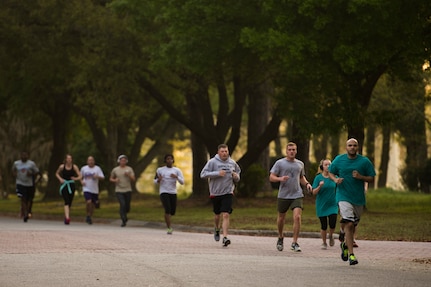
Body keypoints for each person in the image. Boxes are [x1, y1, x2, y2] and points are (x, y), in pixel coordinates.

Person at [329, 138, 376, 266]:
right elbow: (330, 172)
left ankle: (344, 244)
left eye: (355, 145)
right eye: (350, 145)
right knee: (349, 223)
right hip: (343, 195)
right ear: (346, 147)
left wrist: (361, 177)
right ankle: (351, 255)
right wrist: (335, 180)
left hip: (358, 198)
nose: (352, 147)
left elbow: (372, 178)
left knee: (353, 225)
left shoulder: (364, 161)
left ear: (358, 147)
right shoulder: (339, 159)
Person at [269, 142, 313, 252]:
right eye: (290, 149)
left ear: (296, 151)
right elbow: (271, 177)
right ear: (286, 151)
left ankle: (295, 242)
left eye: (294, 149)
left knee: (297, 217)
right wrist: (280, 179)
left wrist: (307, 184)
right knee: (281, 218)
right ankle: (280, 237)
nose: (292, 151)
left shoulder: (300, 164)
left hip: (297, 194)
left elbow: (301, 177)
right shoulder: (280, 163)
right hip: (283, 194)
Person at [200, 144, 241, 247]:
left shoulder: (232, 163)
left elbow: (238, 174)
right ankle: (217, 229)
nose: (224, 153)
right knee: (217, 215)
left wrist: (236, 176)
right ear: (218, 152)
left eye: (226, 151)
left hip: (228, 192)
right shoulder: (212, 162)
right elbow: (203, 174)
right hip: (215, 192)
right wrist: (217, 173)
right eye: (222, 151)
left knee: (226, 214)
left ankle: (225, 237)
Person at [154, 154, 184, 234]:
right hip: (164, 191)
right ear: (165, 160)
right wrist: (158, 180)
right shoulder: (160, 170)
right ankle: (169, 228)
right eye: (167, 159)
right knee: (167, 209)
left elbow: (182, 182)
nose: (169, 160)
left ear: (173, 160)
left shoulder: (177, 170)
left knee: (172, 211)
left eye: (171, 159)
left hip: (173, 192)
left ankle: (168, 219)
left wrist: (176, 177)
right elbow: (155, 181)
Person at [312, 159, 338, 249]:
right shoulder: (318, 178)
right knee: (323, 225)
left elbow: (339, 186)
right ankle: (324, 242)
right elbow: (313, 192)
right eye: (326, 164)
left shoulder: (334, 177)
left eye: (329, 165)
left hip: (333, 203)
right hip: (322, 204)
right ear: (322, 166)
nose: (327, 166)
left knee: (333, 222)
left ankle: (330, 235)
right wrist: (319, 186)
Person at [12, 151, 41, 222]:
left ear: (28, 156)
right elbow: (13, 170)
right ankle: (25, 214)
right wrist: (15, 175)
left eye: (25, 155)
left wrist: (31, 174)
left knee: (29, 199)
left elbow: (37, 172)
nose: (24, 157)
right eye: (22, 155)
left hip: (29, 184)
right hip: (20, 183)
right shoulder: (16, 163)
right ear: (20, 156)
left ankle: (28, 211)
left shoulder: (31, 164)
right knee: (23, 198)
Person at [110, 155, 135, 227]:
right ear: (119, 161)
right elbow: (111, 178)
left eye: (124, 160)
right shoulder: (115, 170)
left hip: (128, 189)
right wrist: (115, 180)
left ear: (126, 161)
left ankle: (125, 214)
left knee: (127, 206)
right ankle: (123, 219)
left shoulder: (129, 169)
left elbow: (133, 179)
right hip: (119, 190)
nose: (123, 162)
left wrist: (128, 175)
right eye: (122, 160)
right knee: (122, 204)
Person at [55, 154, 81, 225]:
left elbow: (80, 176)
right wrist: (60, 179)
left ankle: (66, 214)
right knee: (66, 200)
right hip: (64, 185)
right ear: (66, 159)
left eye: (70, 158)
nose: (69, 160)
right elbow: (56, 173)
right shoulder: (62, 167)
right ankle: (67, 218)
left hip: (71, 185)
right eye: (68, 158)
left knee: (70, 201)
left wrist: (75, 178)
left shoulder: (74, 167)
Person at [80, 156, 105, 224]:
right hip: (86, 188)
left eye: (92, 160)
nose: (91, 162)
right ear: (87, 161)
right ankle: (88, 215)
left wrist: (97, 176)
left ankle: (89, 216)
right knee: (89, 202)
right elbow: (80, 177)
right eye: (89, 160)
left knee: (93, 204)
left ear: (94, 161)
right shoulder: (84, 168)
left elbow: (103, 177)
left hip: (94, 189)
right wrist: (81, 181)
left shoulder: (97, 169)